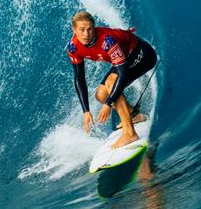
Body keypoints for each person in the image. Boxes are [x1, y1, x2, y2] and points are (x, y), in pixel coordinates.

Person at [66, 10, 158, 148]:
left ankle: (130, 133)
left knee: (111, 83)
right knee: (101, 94)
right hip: (124, 58)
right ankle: (134, 115)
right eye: (82, 30)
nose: (86, 34)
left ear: (94, 28)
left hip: (143, 54)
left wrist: (109, 104)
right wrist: (86, 111)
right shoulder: (73, 47)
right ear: (74, 30)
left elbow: (123, 74)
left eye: (90, 29)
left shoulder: (107, 41)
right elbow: (79, 78)